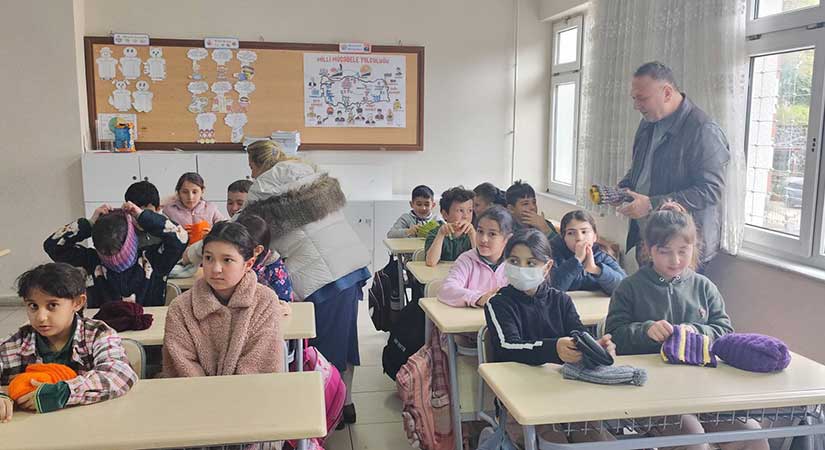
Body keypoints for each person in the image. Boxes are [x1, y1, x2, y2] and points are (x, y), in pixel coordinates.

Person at [606, 203, 766, 450]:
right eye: (665, 252)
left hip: (705, 392)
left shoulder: (704, 287)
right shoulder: (629, 287)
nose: (676, 260)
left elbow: (725, 333)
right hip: (652, 394)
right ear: (648, 249)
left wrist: (696, 331)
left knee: (752, 433)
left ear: (694, 247)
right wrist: (646, 330)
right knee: (693, 438)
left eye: (683, 251)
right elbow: (613, 336)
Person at [242, 140, 371, 426]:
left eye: (251, 166)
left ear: (260, 164)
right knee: (345, 340)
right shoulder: (310, 174)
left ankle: (327, 414)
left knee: (323, 349)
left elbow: (242, 233)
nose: (250, 173)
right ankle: (345, 404)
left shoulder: (264, 186)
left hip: (322, 278)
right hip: (349, 265)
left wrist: (197, 252)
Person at [484, 228, 615, 444]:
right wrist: (554, 349)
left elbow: (578, 333)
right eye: (514, 261)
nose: (521, 268)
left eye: (531, 263)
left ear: (547, 267)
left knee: (595, 439)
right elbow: (507, 347)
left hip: (566, 394)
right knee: (554, 442)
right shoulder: (498, 303)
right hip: (520, 398)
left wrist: (594, 347)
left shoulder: (561, 300)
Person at [618, 61, 730, 270]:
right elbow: (641, 168)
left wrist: (651, 204)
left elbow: (711, 190)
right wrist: (624, 189)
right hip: (650, 240)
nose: (636, 106)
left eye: (642, 98)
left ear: (667, 93)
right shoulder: (648, 123)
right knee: (646, 293)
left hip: (683, 250)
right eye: (634, 98)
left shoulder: (703, 130)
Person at [0, 263, 137, 421]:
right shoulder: (16, 343)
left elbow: (120, 374)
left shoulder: (97, 334)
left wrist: (64, 392)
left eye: (52, 305)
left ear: (77, 303)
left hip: (91, 423)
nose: (41, 317)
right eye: (33, 306)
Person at [162, 222, 286, 377]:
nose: (215, 269)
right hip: (195, 391)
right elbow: (182, 366)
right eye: (208, 258)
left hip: (250, 391)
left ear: (248, 264)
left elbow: (260, 365)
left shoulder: (265, 302)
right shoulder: (181, 307)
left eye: (227, 260)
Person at [44, 202, 187, 307]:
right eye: (104, 252)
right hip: (102, 336)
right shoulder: (90, 261)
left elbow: (180, 236)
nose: (113, 259)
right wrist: (89, 223)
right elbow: (52, 245)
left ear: (131, 240)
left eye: (118, 250)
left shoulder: (154, 260)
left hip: (150, 335)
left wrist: (142, 216)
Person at [550, 210, 625, 295]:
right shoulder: (552, 252)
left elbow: (623, 287)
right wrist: (577, 260)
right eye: (571, 233)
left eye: (584, 232)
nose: (579, 238)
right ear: (564, 238)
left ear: (594, 237)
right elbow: (551, 290)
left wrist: (595, 269)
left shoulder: (601, 254)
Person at [425, 186, 476, 267]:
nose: (466, 216)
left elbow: (482, 262)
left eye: (470, 210)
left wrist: (472, 235)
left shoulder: (474, 234)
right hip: (441, 274)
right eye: (460, 210)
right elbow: (431, 262)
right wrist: (441, 235)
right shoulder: (435, 233)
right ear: (445, 214)